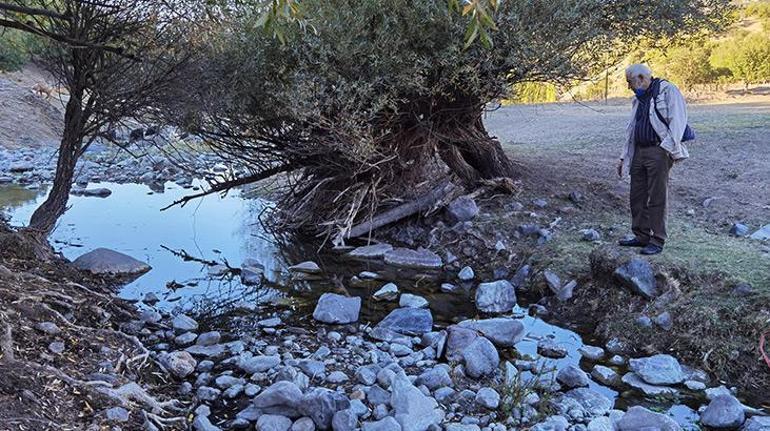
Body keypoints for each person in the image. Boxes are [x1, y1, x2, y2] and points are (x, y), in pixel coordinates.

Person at [616, 64, 690, 255]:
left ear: (640, 78)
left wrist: (665, 149)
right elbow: (631, 130)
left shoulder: (668, 90)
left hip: (659, 150)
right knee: (637, 195)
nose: (628, 86)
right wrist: (624, 157)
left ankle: (657, 240)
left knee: (657, 196)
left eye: (629, 82)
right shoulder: (638, 99)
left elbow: (678, 121)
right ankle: (641, 236)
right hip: (639, 151)